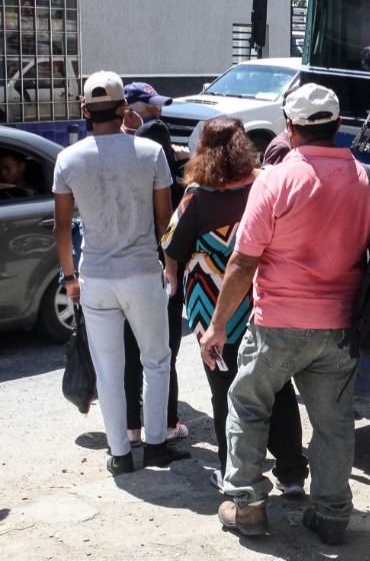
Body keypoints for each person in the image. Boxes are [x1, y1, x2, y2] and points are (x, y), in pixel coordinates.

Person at [200, 84, 370, 545]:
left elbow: (243, 261)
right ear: (338, 126)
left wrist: (218, 326)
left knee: (247, 404)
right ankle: (334, 515)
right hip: (339, 326)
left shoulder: (274, 180)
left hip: (278, 323)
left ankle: (248, 509)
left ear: (290, 128)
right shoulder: (369, 179)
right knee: (334, 423)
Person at [51, 70, 191, 474]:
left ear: (83, 110)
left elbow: (63, 227)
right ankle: (157, 446)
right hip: (143, 273)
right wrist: (170, 269)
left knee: (109, 368)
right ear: (123, 109)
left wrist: (70, 278)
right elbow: (166, 221)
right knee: (156, 360)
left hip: (94, 276)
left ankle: (120, 455)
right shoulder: (150, 153)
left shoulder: (67, 159)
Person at [161, 117, 309, 495]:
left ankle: (233, 472)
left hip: (213, 313)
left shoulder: (197, 196)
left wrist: (175, 275)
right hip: (266, 304)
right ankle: (292, 473)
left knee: (225, 390)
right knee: (277, 388)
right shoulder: (264, 185)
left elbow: (171, 246)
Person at [120, 82, 188, 446]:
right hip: (165, 271)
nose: (159, 111)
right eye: (152, 108)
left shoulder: (122, 166)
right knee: (164, 354)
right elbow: (171, 229)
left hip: (126, 270)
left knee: (131, 352)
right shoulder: (177, 178)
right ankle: (167, 425)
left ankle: (131, 429)